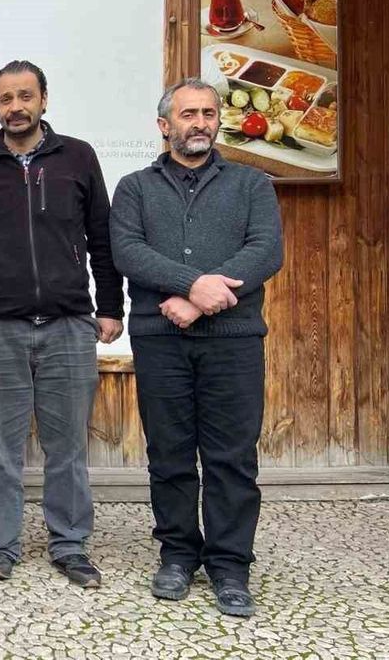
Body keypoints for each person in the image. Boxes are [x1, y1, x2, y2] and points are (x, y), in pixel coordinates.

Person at [110, 77, 283, 617]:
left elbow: (265, 251)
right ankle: (178, 555)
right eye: (189, 114)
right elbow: (128, 251)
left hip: (234, 342)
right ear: (165, 126)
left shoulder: (252, 185)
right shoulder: (135, 188)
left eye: (208, 113)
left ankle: (230, 566)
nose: (200, 123)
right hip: (160, 342)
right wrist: (193, 286)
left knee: (232, 457)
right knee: (169, 454)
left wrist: (199, 301)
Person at [0, 60, 125, 587]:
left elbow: (101, 236)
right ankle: (0, 545)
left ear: (44, 99)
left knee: (67, 446)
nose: (16, 107)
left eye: (25, 96)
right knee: (1, 450)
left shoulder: (78, 158)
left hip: (68, 324)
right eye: (6, 98)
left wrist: (110, 307)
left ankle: (69, 544)